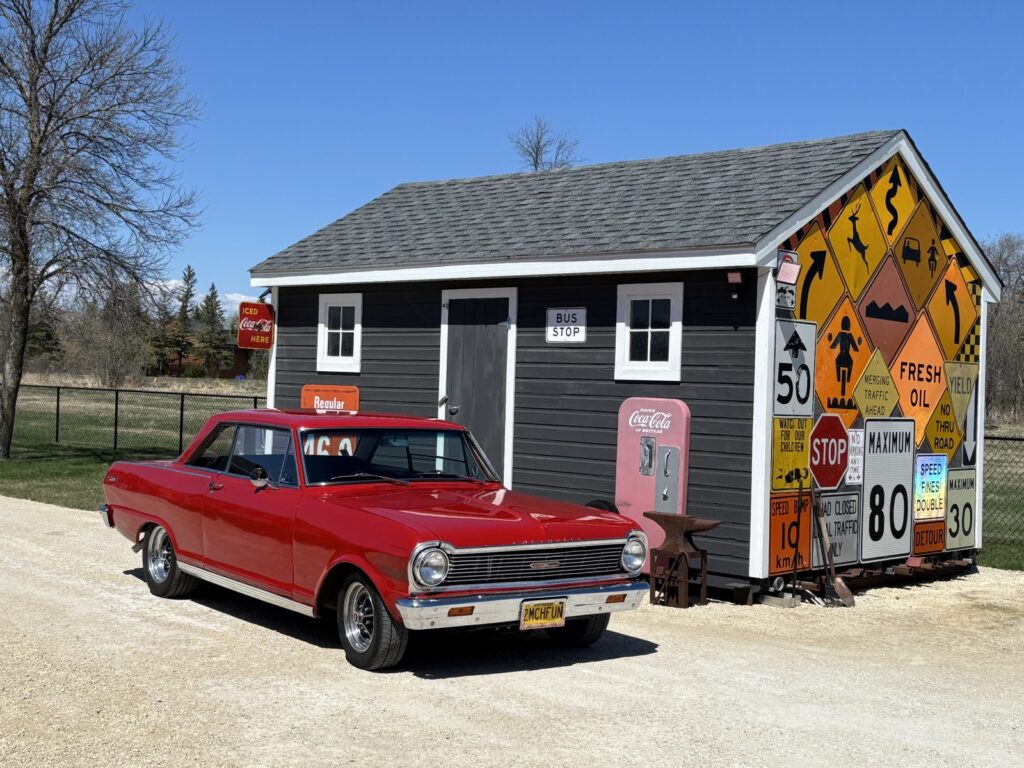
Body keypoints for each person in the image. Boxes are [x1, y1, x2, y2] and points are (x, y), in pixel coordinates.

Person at [829, 316, 861, 396]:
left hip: (843, 356)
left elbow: (833, 345)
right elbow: (855, 348)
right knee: (849, 362)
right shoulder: (847, 335)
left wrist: (859, 343)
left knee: (839, 362)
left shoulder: (843, 335)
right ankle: (842, 379)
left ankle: (844, 379)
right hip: (846, 356)